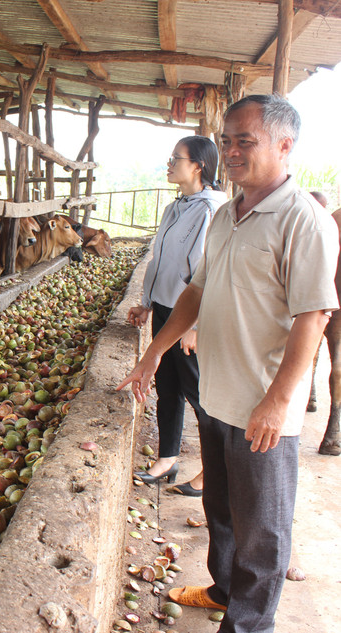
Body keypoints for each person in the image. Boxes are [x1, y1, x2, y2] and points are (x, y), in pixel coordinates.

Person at [118, 94, 339, 633]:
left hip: (263, 409)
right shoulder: (226, 215)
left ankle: (247, 625)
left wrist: (278, 402)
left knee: (263, 531)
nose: (232, 151)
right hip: (217, 396)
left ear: (285, 147)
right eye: (227, 140)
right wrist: (153, 352)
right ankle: (222, 589)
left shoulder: (303, 221)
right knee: (220, 509)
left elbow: (313, 319)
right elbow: (195, 292)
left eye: (247, 140)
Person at [128, 136, 225, 497]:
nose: (169, 164)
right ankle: (167, 458)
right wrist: (148, 302)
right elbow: (161, 262)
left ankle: (214, 470)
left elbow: (207, 272)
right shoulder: (177, 206)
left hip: (191, 316)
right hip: (168, 309)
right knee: (167, 386)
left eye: (176, 158)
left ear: (198, 166)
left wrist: (196, 326)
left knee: (199, 394)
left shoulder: (211, 209)